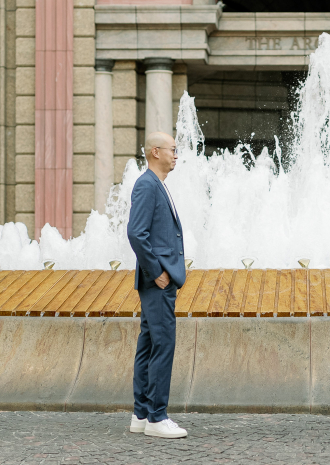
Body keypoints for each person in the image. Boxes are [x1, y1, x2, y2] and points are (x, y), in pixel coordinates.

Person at [127, 131, 188, 439]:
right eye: (172, 150)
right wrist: (157, 272)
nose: (176, 155)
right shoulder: (148, 184)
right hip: (158, 281)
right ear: (155, 152)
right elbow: (137, 234)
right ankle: (157, 417)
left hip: (157, 280)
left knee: (149, 344)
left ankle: (141, 415)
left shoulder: (156, 185)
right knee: (163, 345)